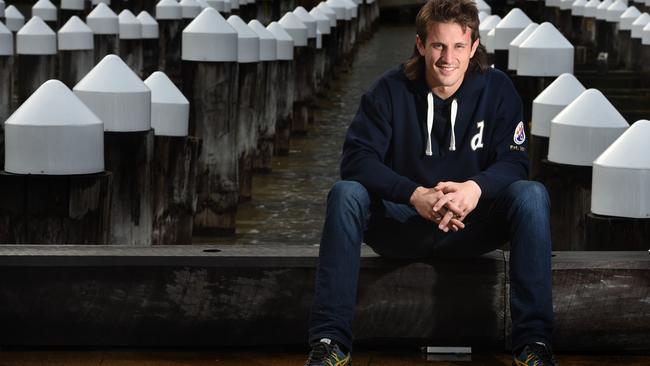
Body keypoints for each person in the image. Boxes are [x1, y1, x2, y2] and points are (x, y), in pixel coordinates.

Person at [303, 0, 557, 365]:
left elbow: (515, 161)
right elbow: (356, 160)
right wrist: (414, 194)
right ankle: (329, 342)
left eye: (457, 46)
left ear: (473, 48)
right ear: (421, 45)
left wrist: (474, 189)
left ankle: (534, 344)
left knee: (532, 194)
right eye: (438, 45)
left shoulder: (498, 89)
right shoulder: (388, 90)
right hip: (404, 224)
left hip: (471, 224)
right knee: (346, 194)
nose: (447, 58)